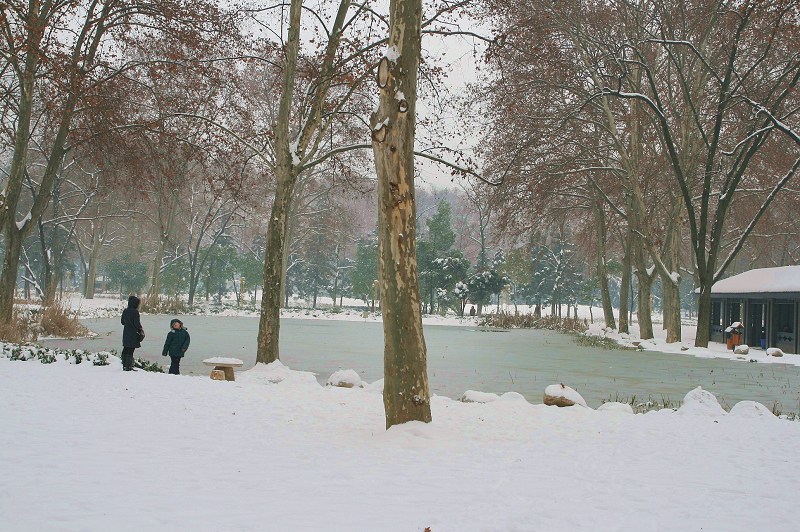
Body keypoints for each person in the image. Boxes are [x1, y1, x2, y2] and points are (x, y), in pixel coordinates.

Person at [120, 295, 144, 371]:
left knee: (126, 348)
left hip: (126, 332)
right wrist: (140, 329)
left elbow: (122, 322)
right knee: (131, 350)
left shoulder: (125, 311)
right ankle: (128, 366)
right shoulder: (135, 312)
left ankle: (124, 365)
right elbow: (137, 324)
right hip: (133, 333)